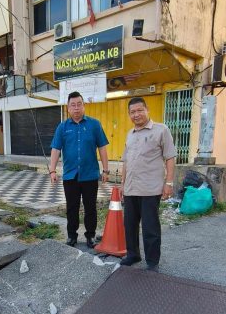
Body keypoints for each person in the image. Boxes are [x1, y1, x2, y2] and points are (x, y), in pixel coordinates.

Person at [120, 97, 176, 271]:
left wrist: (169, 183)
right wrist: (122, 184)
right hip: (131, 188)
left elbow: (170, 157)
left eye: (139, 110)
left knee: (150, 227)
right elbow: (126, 162)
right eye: (132, 112)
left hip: (150, 189)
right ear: (129, 114)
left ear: (147, 110)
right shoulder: (130, 134)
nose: (136, 114)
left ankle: (152, 261)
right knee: (129, 225)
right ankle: (133, 254)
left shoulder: (161, 130)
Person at [50, 91, 109, 248]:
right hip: (70, 176)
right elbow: (55, 149)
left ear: (84, 105)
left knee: (90, 207)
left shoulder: (94, 124)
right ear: (68, 108)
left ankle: (90, 235)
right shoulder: (62, 127)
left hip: (90, 174)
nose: (76, 108)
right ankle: (72, 236)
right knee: (72, 207)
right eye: (72, 105)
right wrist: (52, 170)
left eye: (79, 104)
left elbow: (102, 147)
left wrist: (106, 170)